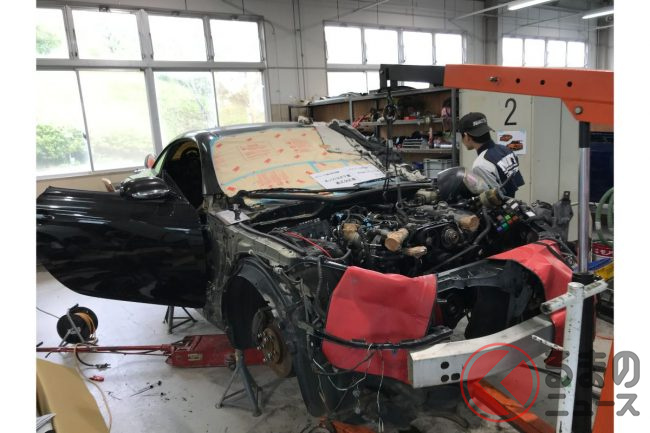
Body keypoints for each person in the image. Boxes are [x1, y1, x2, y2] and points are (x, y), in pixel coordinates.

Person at [458, 112, 524, 197]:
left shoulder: (480, 165)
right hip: (513, 202)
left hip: (502, 205)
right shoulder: (506, 150)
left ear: (466, 136)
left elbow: (495, 198)